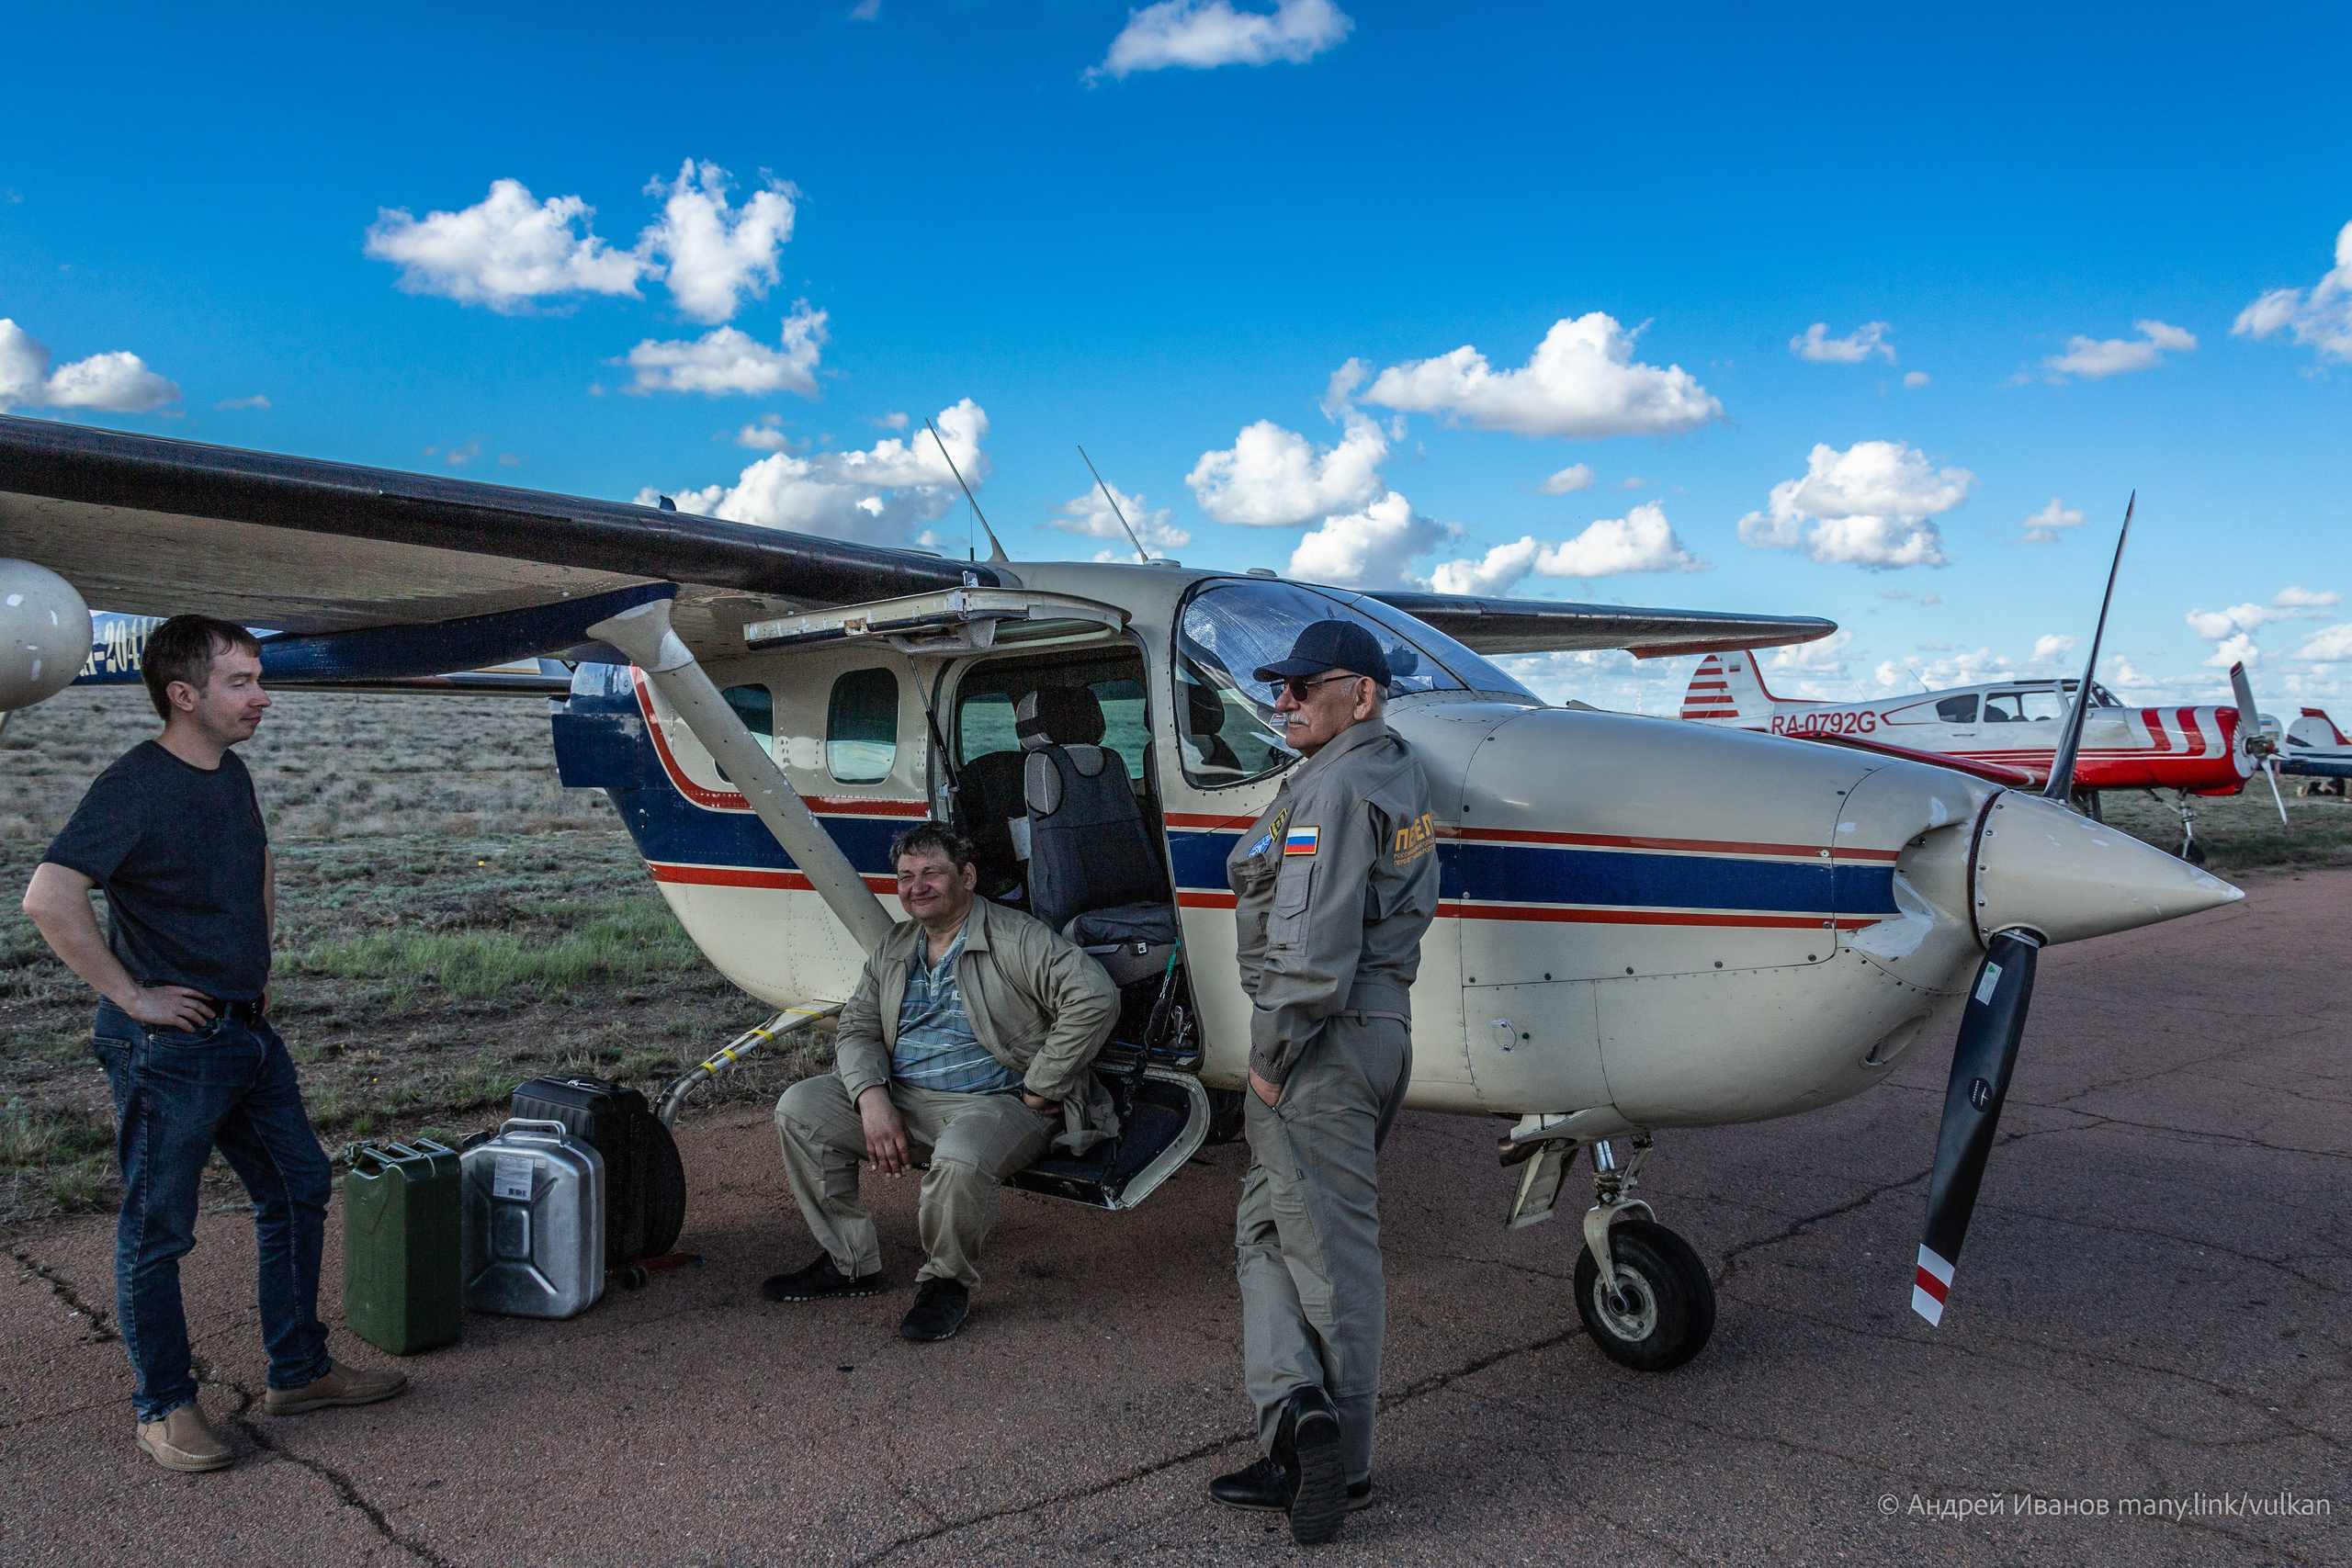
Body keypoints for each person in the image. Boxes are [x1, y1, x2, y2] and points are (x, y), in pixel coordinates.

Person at [20, 615, 405, 1475]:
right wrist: (131, 994)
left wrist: (257, 958)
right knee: (160, 1230)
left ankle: (298, 1371)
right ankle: (163, 1406)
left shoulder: (229, 773)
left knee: (299, 1183)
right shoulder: (134, 784)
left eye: (259, 677)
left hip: (245, 1032)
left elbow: (258, 861)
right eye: (241, 681)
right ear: (183, 695)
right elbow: (49, 897)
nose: (261, 695)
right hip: (171, 1048)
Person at [1208, 619, 1439, 1545]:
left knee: (1331, 1260)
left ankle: (1340, 1469)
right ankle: (1297, 1417)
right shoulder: (1388, 770)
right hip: (1376, 1033)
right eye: (1282, 687)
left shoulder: (1332, 792)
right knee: (1262, 1229)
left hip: (1318, 1047)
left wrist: (1265, 1068)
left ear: (1364, 694)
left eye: (1305, 688)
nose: (1284, 701)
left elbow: (1308, 956)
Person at [764, 821, 1120, 1342]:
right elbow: (859, 1027)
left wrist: (1043, 1083)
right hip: (903, 1096)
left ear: (968, 876)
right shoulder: (896, 946)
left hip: (996, 1102)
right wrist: (871, 1097)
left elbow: (1094, 996)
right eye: (906, 876)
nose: (917, 887)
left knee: (958, 1157)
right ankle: (850, 1263)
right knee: (800, 1106)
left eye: (933, 872)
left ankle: (946, 1283)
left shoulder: (1014, 936)